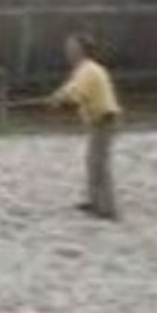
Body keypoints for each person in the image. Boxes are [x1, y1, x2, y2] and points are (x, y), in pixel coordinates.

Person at [49, 33, 122, 220]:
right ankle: (95, 201)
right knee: (93, 162)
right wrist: (58, 95)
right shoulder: (84, 69)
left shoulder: (88, 70)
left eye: (72, 47)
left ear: (81, 50)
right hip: (98, 120)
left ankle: (108, 208)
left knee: (99, 164)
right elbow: (71, 87)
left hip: (104, 119)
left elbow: (77, 92)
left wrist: (59, 99)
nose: (68, 50)